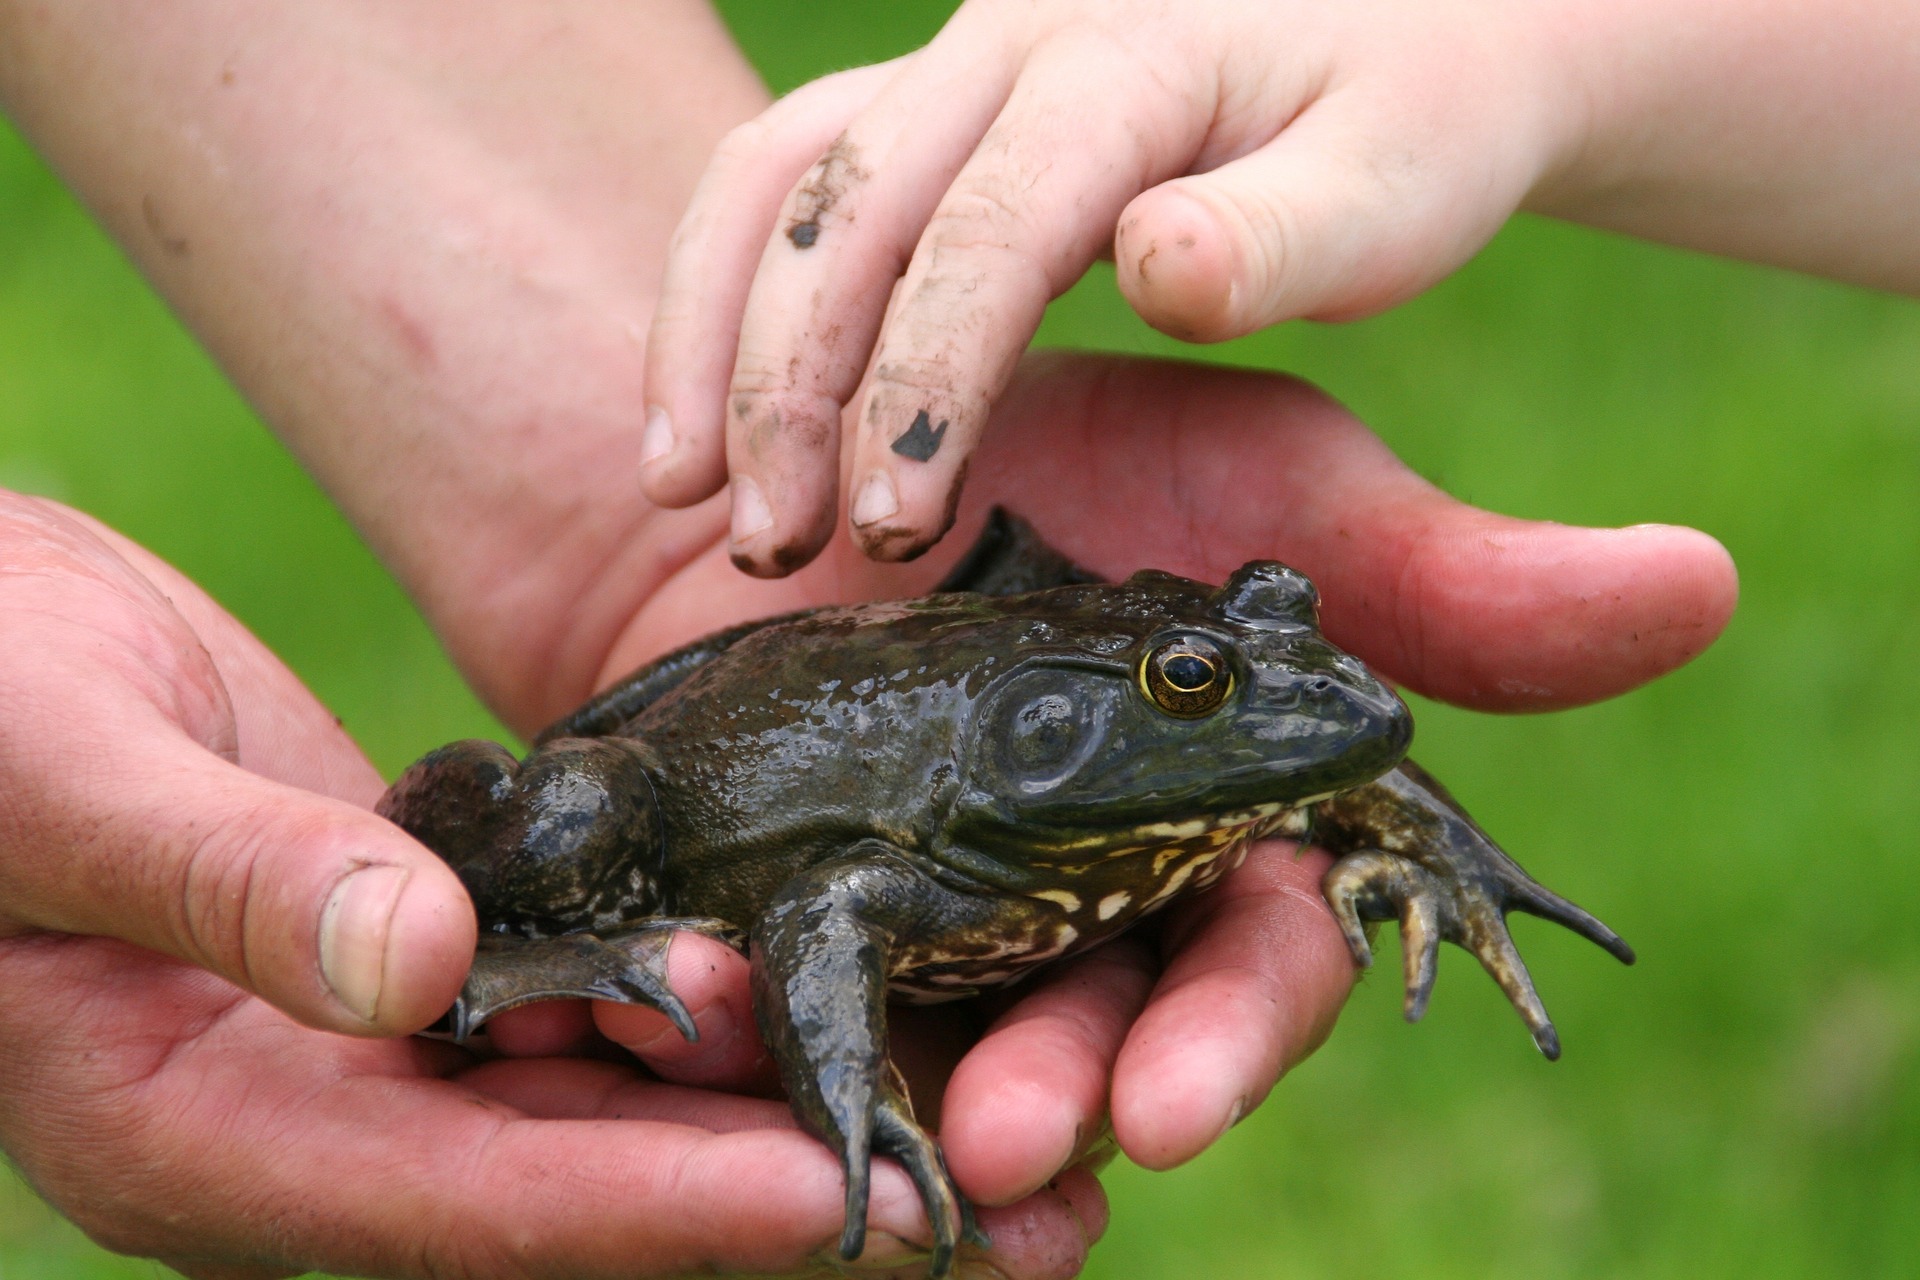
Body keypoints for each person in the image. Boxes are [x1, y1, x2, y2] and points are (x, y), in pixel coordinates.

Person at [0, 1, 1738, 1276]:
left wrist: (1425, 841)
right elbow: (833, 899)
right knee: (568, 825)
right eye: (1195, 688)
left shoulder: (1201, 751)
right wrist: (866, 1100)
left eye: (1234, 651)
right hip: (698, 781)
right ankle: (500, 970)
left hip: (901, 671)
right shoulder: (944, 864)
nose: (1279, 692)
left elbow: (1337, 729)